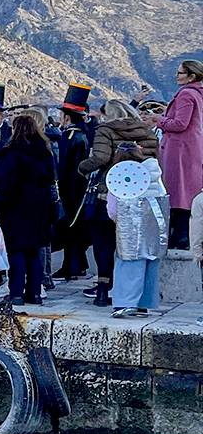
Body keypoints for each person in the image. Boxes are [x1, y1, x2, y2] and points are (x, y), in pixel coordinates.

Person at [77, 99, 158, 307]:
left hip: (108, 193)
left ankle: (103, 290)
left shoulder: (105, 129)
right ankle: (129, 294)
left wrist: (82, 167)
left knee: (103, 245)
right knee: (129, 247)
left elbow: (100, 159)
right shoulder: (147, 132)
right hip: (138, 195)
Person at [0, 112, 55, 306]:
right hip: (40, 206)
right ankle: (34, 293)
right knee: (34, 251)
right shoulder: (45, 151)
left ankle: (16, 292)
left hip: (16, 206)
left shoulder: (14, 152)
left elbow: (8, 183)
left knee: (16, 251)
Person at [145, 60, 203, 249]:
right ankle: (182, 235)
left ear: (191, 76)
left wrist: (158, 120)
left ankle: (179, 236)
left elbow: (180, 124)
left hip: (179, 150)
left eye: (180, 73)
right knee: (187, 191)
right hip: (191, 148)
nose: (176, 76)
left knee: (178, 191)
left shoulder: (186, 95)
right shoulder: (197, 94)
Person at [109, 158, 168, 319]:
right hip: (153, 232)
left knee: (127, 266)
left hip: (129, 230)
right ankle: (144, 305)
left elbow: (112, 211)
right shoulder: (157, 180)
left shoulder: (121, 176)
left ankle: (124, 303)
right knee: (150, 266)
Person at [53, 87, 92, 280]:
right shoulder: (78, 136)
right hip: (75, 189)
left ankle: (72, 266)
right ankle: (77, 264)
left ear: (67, 117)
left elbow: (66, 169)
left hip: (71, 190)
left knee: (71, 229)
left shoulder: (70, 137)